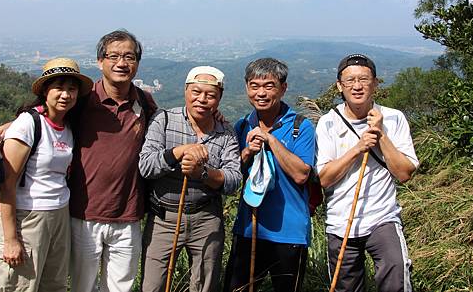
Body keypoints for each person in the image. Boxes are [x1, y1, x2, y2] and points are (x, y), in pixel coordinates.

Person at [316, 54, 418, 292]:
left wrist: (381, 134)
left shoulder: (393, 118)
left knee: (396, 276)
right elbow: (325, 178)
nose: (357, 86)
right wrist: (358, 149)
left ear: (375, 83)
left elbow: (404, 173)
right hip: (341, 221)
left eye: (364, 79)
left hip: (383, 218)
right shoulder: (328, 123)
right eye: (350, 80)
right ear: (340, 86)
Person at [67, 29, 157, 292]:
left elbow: (171, 124)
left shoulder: (144, 102)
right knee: (83, 286)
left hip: (128, 215)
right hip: (84, 214)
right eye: (113, 56)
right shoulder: (83, 100)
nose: (121, 63)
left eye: (129, 57)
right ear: (100, 61)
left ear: (137, 63)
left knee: (121, 287)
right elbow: (49, 116)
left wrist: (212, 115)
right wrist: (13, 126)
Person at [139, 66, 242, 292]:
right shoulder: (163, 120)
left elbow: (234, 181)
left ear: (219, 98)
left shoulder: (226, 132)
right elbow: (146, 166)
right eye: (196, 92)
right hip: (163, 218)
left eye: (210, 95)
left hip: (206, 217)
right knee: (153, 285)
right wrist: (178, 152)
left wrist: (202, 174)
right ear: (186, 91)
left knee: (204, 284)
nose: (202, 99)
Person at [0, 57, 93, 291]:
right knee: (22, 286)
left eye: (72, 89)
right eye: (59, 87)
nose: (65, 95)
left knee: (54, 285)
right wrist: (10, 240)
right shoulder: (27, 124)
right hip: (28, 218)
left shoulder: (67, 127)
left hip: (59, 214)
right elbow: (7, 185)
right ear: (45, 91)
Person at [223, 58, 316, 292]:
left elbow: (301, 174)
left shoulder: (300, 126)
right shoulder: (243, 125)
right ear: (246, 87)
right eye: (254, 86)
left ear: (283, 88)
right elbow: (234, 175)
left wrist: (271, 140)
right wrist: (246, 152)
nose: (261, 93)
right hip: (248, 228)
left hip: (289, 232)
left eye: (269, 86)